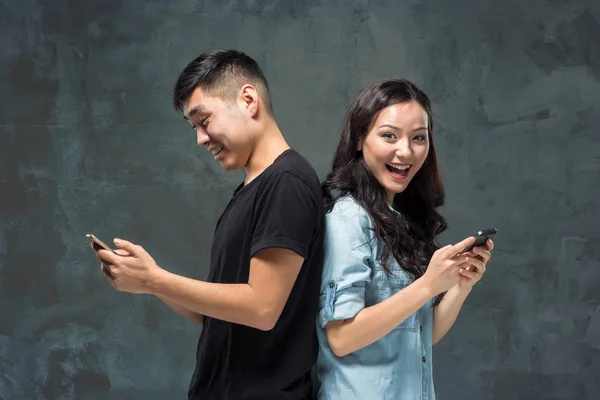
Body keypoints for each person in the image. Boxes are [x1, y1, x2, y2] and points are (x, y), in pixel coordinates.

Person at [92, 49, 325, 400]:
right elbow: (219, 317)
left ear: (248, 100)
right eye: (193, 128)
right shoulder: (250, 189)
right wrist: (150, 281)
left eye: (204, 120)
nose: (200, 139)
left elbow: (261, 308)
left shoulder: (287, 182)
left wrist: (156, 279)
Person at [314, 79, 494, 399]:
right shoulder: (348, 219)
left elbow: (424, 334)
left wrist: (459, 284)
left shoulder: (402, 220)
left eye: (418, 138)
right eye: (389, 136)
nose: (406, 151)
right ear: (359, 139)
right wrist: (426, 285)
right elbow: (341, 338)